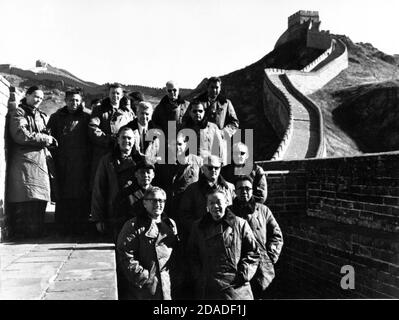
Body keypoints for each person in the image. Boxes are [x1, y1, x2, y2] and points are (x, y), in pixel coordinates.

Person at [187, 190, 259, 300]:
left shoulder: (240, 224)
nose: (215, 206)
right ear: (207, 206)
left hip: (236, 289)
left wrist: (242, 275)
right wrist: (200, 277)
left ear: (226, 203)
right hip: (208, 289)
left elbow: (252, 253)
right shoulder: (198, 227)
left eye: (219, 202)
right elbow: (192, 254)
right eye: (211, 203)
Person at [6, 86, 57, 238]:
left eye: (41, 98)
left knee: (39, 199)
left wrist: (50, 139)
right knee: (26, 198)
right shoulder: (19, 113)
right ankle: (26, 234)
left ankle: (36, 233)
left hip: (40, 162)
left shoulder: (41, 115)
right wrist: (44, 139)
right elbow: (20, 134)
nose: (38, 100)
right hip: (25, 161)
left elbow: (45, 133)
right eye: (35, 96)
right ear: (27, 95)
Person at [117, 187, 180, 300]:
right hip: (145, 288)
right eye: (154, 200)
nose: (158, 204)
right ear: (145, 203)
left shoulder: (170, 224)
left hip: (167, 284)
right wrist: (143, 277)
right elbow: (125, 254)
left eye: (161, 201)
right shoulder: (133, 225)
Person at [230, 176, 283, 299]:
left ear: (252, 190)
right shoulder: (229, 213)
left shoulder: (263, 211)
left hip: (262, 268)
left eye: (247, 188)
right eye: (240, 189)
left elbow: (276, 236)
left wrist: (270, 256)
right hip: (240, 268)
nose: (244, 192)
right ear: (235, 191)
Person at [47, 89, 91, 234]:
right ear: (66, 101)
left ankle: (81, 229)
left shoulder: (87, 117)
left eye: (77, 100)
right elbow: (49, 138)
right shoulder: (56, 117)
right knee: (63, 196)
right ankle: (62, 229)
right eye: (71, 100)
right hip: (62, 163)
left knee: (81, 196)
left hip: (82, 164)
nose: (74, 103)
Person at [91, 126, 142, 242]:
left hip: (136, 212)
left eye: (129, 138)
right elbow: (99, 189)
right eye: (123, 138)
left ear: (134, 141)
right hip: (114, 214)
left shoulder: (141, 161)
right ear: (118, 140)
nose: (126, 141)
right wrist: (98, 218)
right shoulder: (107, 161)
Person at [88, 83, 134, 188]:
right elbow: (92, 128)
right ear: (108, 94)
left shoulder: (128, 113)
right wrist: (109, 139)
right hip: (103, 153)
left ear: (121, 95)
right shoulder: (99, 110)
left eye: (118, 93)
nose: (115, 96)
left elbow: (133, 132)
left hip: (121, 155)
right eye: (113, 93)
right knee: (101, 185)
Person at [179, 155, 234, 241]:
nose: (213, 171)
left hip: (225, 236)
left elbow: (234, 212)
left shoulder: (229, 188)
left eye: (217, 168)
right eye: (210, 168)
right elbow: (184, 214)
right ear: (203, 168)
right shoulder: (192, 189)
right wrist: (198, 229)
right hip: (202, 238)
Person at [164, 132, 203, 222]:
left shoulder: (198, 162)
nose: (177, 147)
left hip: (190, 208)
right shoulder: (164, 164)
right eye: (174, 144)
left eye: (180, 144)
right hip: (171, 208)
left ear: (186, 144)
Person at [113, 157, 156, 222]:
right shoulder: (125, 194)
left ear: (153, 175)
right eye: (142, 172)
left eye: (148, 172)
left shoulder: (157, 193)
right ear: (136, 174)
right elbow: (118, 218)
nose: (145, 175)